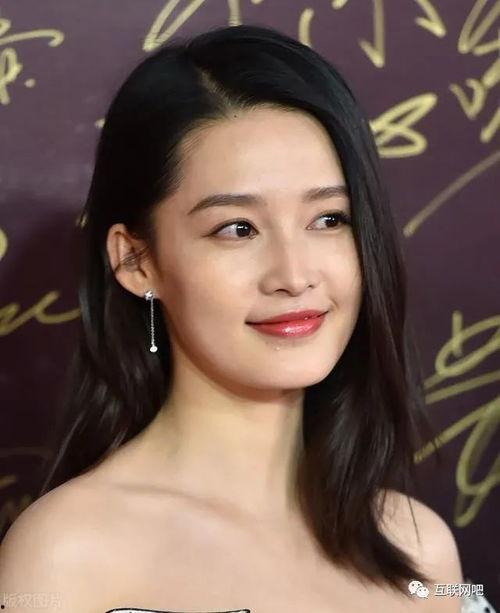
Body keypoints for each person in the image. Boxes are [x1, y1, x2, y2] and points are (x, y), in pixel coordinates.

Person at [0, 24, 464, 612]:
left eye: (329, 219)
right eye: (237, 229)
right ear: (136, 261)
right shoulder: (64, 555)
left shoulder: (424, 554)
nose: (293, 274)